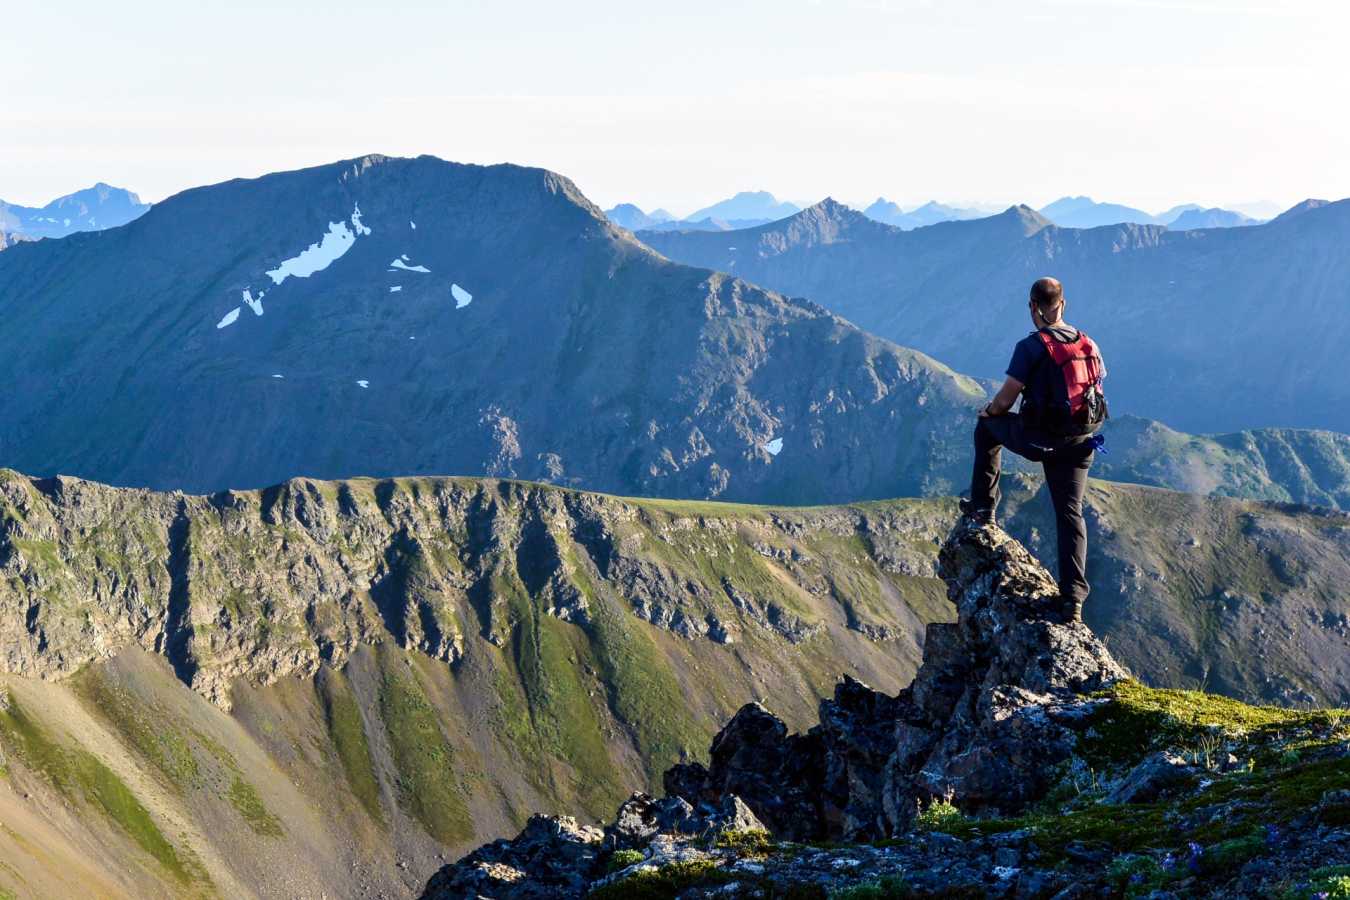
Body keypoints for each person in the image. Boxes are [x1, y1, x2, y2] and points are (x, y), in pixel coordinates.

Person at [961, 277, 1108, 623]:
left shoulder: (1032, 347)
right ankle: (1072, 600)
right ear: (1063, 305)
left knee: (987, 430)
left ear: (1032, 307)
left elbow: (1007, 397)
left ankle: (983, 510)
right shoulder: (1088, 344)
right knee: (1070, 514)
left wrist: (991, 412)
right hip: (1081, 442)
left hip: (1041, 439)